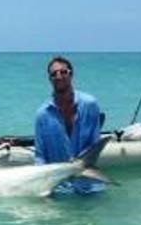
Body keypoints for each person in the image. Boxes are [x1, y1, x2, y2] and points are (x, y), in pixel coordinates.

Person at [34, 55, 104, 194]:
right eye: (54, 74)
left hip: (90, 187)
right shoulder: (42, 114)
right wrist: (42, 187)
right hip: (59, 190)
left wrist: (76, 167)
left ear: (71, 74)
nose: (59, 76)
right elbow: (40, 156)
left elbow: (94, 143)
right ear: (50, 79)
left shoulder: (90, 104)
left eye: (63, 72)